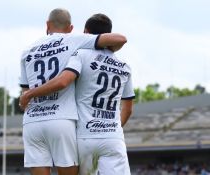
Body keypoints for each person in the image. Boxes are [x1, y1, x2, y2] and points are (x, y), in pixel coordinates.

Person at [20, 13, 134, 175]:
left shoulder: (80, 55)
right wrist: (110, 129)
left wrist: (29, 95)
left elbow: (63, 81)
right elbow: (128, 109)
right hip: (110, 135)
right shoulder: (125, 66)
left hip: (72, 131)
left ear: (86, 32)